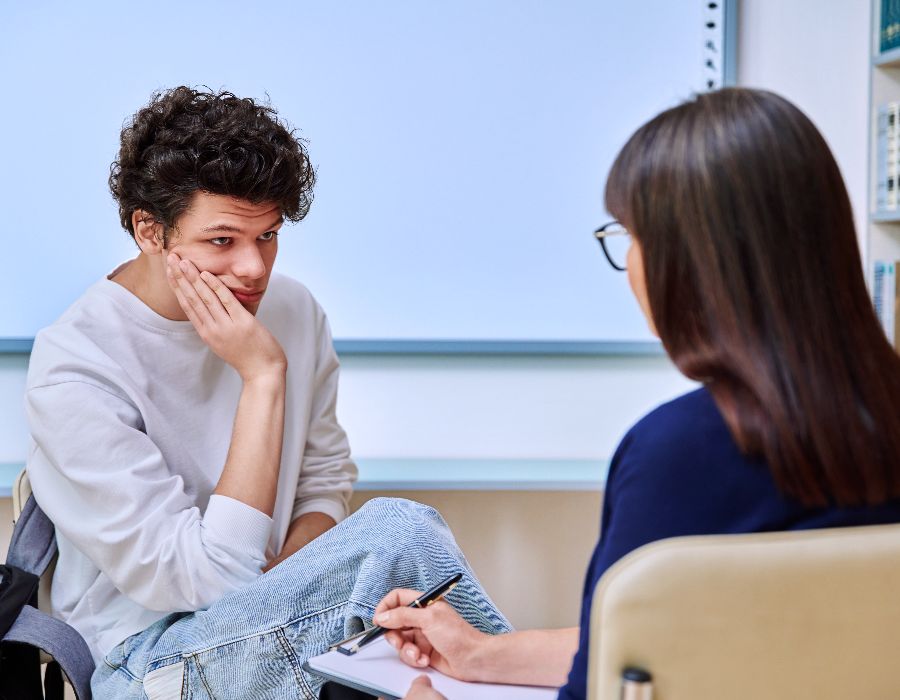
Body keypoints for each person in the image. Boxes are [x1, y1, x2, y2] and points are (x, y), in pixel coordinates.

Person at [372, 87, 900, 700]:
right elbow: (671, 646)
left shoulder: (680, 453)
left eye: (631, 235)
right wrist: (481, 654)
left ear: (691, 259)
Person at [24, 87, 510, 699]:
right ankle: (534, 674)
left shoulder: (294, 309)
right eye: (222, 241)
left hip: (272, 619)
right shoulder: (77, 366)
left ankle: (519, 672)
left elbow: (324, 480)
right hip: (146, 663)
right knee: (400, 531)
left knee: (413, 623)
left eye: (269, 236)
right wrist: (261, 377)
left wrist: (292, 581)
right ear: (149, 230)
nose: (254, 268)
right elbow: (204, 581)